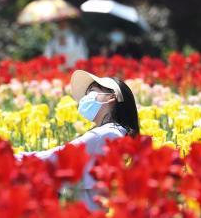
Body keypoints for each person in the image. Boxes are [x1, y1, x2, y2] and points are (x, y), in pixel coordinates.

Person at [15, 69, 140, 210]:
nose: (86, 98)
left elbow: (57, 157)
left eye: (92, 91)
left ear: (111, 97)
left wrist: (12, 159)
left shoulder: (105, 135)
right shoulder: (117, 132)